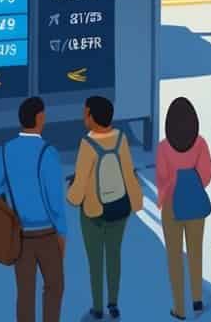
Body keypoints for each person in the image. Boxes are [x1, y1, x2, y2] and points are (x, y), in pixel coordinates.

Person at [0, 96, 67, 322]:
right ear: (40, 117)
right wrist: (62, 233)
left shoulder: (4, 151)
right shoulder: (47, 152)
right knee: (54, 287)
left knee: (25, 292)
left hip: (20, 234)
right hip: (47, 234)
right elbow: (55, 201)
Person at [67, 96, 143, 320]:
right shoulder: (121, 139)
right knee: (114, 256)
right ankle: (114, 304)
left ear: (92, 116)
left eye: (85, 112)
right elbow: (128, 173)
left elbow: (80, 185)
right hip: (120, 209)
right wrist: (135, 202)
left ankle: (98, 308)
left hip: (93, 213)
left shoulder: (88, 145)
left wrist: (70, 196)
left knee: (95, 261)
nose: (83, 116)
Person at [155, 97, 211, 321]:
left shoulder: (163, 148)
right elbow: (207, 174)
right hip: (195, 205)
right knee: (195, 252)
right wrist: (192, 184)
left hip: (172, 205)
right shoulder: (200, 144)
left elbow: (160, 176)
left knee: (174, 257)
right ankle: (197, 299)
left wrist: (170, 188)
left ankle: (179, 307)